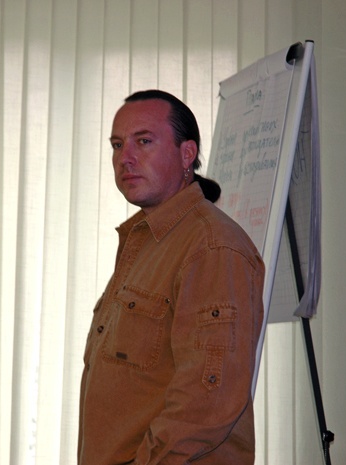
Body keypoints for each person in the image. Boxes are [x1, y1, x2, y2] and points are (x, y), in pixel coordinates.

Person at [78, 90, 265, 464]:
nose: (124, 158)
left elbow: (207, 400)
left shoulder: (211, 247)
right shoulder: (146, 240)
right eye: (117, 145)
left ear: (187, 154)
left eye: (143, 141)